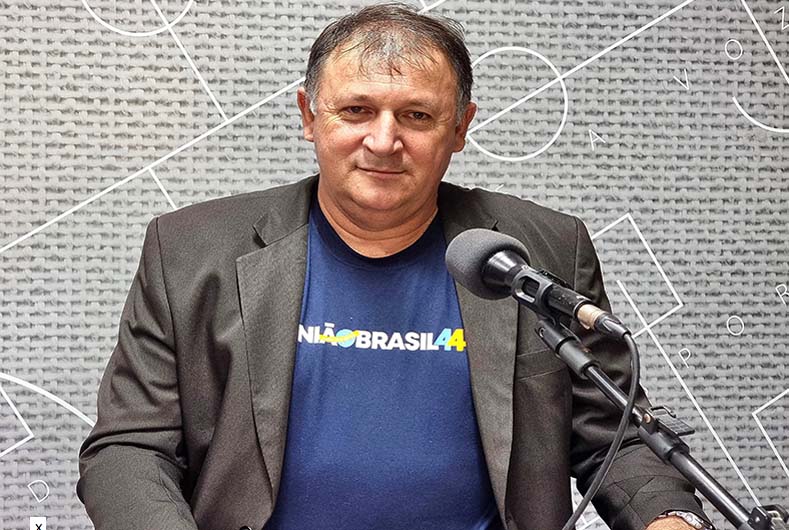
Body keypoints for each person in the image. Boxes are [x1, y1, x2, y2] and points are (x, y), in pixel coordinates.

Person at [77, 3, 713, 530]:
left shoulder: (541, 249)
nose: (383, 142)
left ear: (460, 127)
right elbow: (129, 450)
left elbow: (619, 435)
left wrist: (670, 518)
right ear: (308, 116)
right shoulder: (191, 250)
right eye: (356, 110)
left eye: (416, 116)